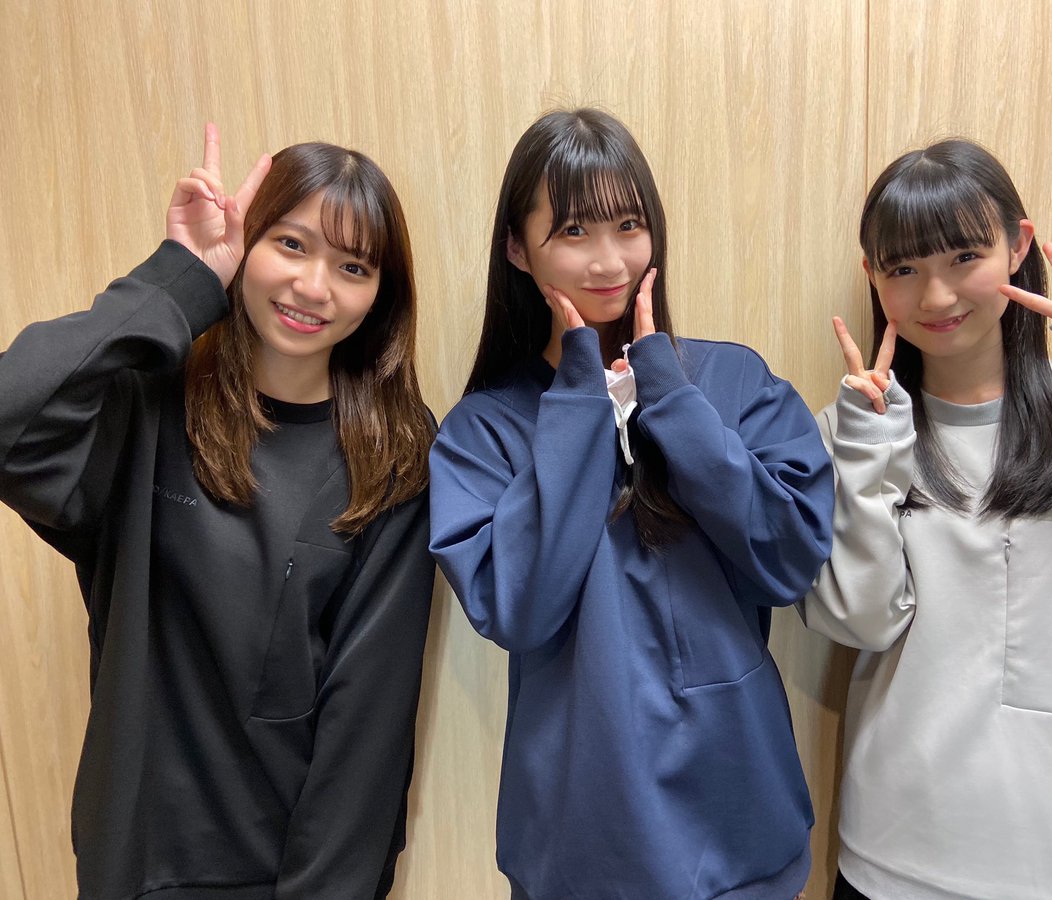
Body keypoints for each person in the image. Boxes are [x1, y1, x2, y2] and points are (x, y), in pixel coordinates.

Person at [0, 124, 436, 898]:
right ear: (248, 246)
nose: (314, 286)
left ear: (380, 295)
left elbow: (366, 728)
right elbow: (11, 422)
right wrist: (180, 280)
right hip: (131, 863)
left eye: (353, 266)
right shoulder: (148, 406)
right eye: (291, 245)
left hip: (275, 874)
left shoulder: (390, 454)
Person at [428, 107, 834, 899]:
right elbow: (520, 609)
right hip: (582, 844)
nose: (608, 260)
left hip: (741, 825)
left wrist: (671, 396)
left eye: (628, 225)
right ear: (518, 248)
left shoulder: (734, 382)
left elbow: (790, 560)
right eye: (573, 231)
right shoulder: (482, 431)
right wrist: (580, 396)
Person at [799, 138, 1052, 900]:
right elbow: (860, 621)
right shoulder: (850, 432)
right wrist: (869, 456)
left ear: (1019, 246)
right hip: (895, 866)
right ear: (872, 276)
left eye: (964, 257)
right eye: (903, 269)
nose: (937, 296)